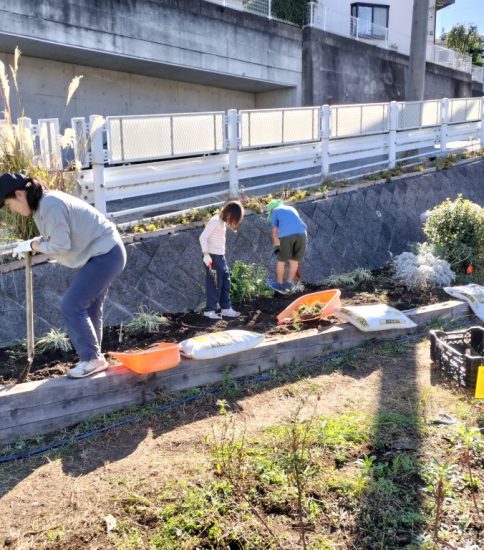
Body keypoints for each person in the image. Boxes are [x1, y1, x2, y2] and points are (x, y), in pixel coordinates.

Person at [0, 172, 126, 378]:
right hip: (107, 252)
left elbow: (60, 245)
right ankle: (94, 358)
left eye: (9, 204)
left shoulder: (49, 205)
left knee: (72, 304)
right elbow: (58, 235)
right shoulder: (44, 204)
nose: (12, 210)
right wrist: (36, 241)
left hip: (106, 254)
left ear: (19, 194)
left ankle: (92, 359)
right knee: (90, 307)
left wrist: (33, 244)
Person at [199, 200, 245, 320]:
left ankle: (226, 309)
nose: (233, 221)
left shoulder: (222, 222)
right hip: (212, 257)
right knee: (214, 284)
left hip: (220, 256)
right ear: (229, 213)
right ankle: (210, 311)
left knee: (225, 282)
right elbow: (202, 237)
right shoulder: (215, 221)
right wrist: (205, 254)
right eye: (234, 218)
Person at [266, 199, 307, 294]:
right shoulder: (291, 208)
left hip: (286, 236)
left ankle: (279, 284)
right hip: (302, 234)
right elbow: (296, 223)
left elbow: (275, 232)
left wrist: (277, 247)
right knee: (294, 260)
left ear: (271, 209)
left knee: (281, 261)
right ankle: (289, 283)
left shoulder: (274, 211)